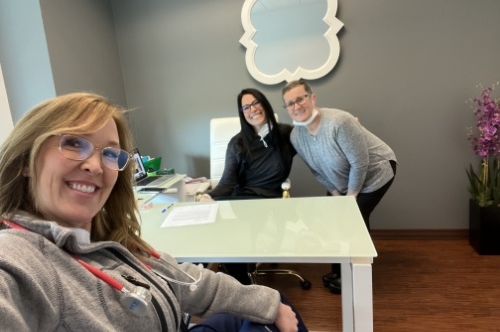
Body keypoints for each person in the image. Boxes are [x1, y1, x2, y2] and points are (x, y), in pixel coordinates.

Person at [0, 92, 308, 332]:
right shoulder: (19, 261)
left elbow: (183, 279)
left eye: (109, 153)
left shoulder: (108, 243)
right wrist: (209, 196)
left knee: (274, 303)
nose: (94, 165)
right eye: (72, 143)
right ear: (26, 160)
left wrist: (268, 301)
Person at [282, 79, 397, 295]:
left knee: (354, 219)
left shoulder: (339, 122)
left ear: (312, 98)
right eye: (290, 103)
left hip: (376, 170)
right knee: (331, 217)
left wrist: (351, 196)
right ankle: (339, 270)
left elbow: (360, 163)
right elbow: (317, 170)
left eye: (300, 99)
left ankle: (356, 278)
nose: (296, 106)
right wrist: (336, 194)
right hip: (343, 180)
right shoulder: (297, 137)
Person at [199, 88, 296, 286]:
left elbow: (315, 144)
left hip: (271, 201)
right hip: (241, 200)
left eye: (255, 103)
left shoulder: (287, 135)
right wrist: (207, 196)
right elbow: (227, 183)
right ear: (242, 113)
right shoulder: (237, 143)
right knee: (217, 228)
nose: (252, 109)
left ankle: (241, 284)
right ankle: (237, 282)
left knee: (235, 235)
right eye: (246, 107)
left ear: (265, 104)